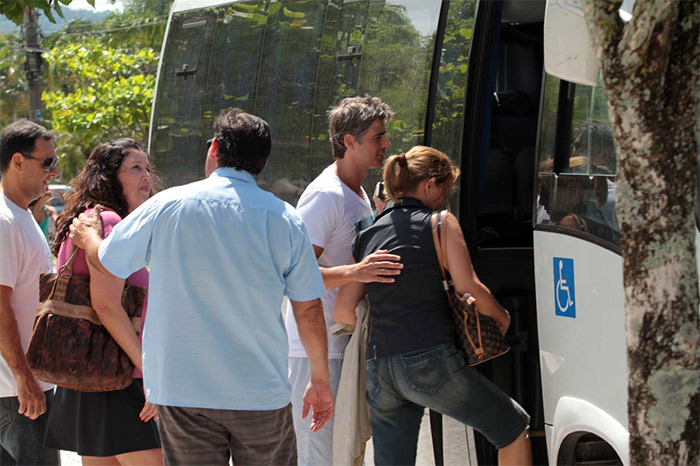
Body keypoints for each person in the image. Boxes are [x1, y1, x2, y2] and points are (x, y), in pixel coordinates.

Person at [70, 108, 332, 466]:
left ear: (214, 149)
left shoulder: (168, 205)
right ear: (262, 161)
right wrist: (319, 379)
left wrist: (88, 239)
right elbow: (308, 308)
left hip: (183, 390)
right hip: (259, 390)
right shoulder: (284, 218)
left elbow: (109, 261)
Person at [334, 146, 532, 465]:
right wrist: (502, 317)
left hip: (380, 368)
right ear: (430, 185)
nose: (446, 198)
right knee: (513, 427)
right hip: (429, 361)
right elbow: (469, 287)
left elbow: (343, 312)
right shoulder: (440, 222)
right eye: (446, 189)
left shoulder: (368, 235)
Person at [284, 95, 403, 465]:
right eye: (377, 137)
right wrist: (357, 271)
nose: (385, 144)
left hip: (342, 346)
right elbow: (292, 276)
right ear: (349, 142)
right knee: (321, 456)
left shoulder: (360, 192)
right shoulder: (324, 196)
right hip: (314, 352)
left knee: (343, 454)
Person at [42, 139, 163, 465]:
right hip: (120, 377)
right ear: (110, 177)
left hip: (92, 375)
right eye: (135, 168)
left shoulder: (90, 221)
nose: (146, 176)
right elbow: (107, 305)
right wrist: (150, 371)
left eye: (147, 168)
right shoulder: (108, 223)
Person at [0, 119, 60, 465]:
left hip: (23, 387)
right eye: (47, 162)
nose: (53, 171)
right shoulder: (6, 221)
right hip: (17, 390)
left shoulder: (21, 217)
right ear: (18, 162)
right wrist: (24, 377)